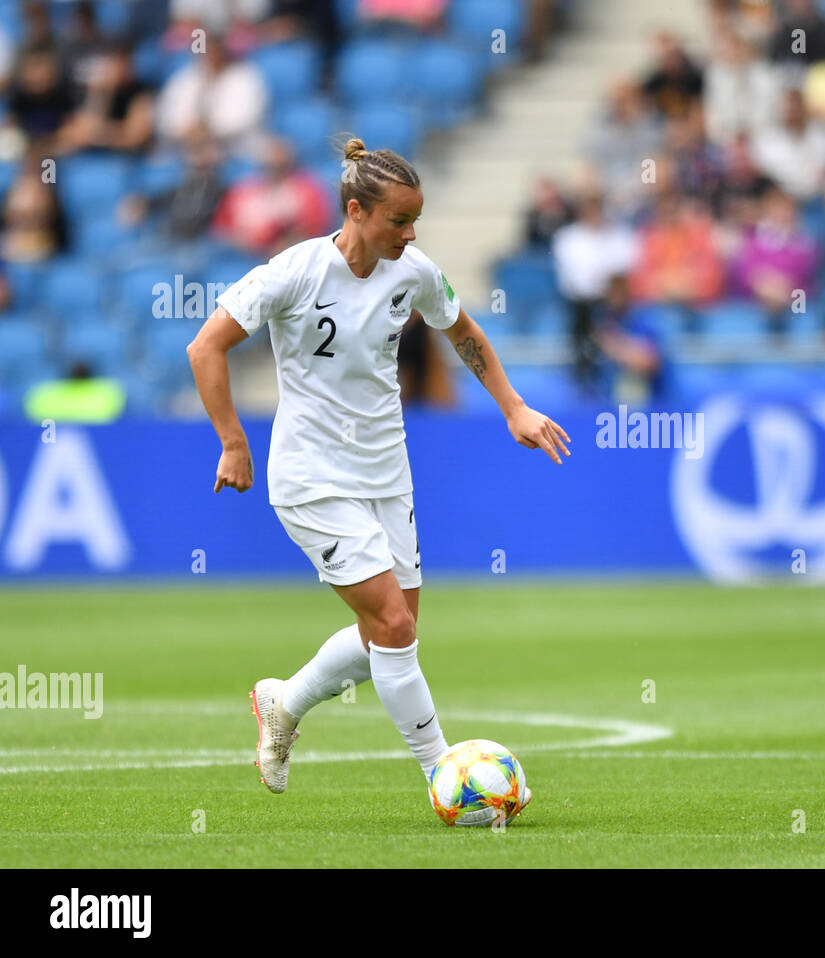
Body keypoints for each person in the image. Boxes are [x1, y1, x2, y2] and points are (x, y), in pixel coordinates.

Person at [187, 137, 570, 818]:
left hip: (387, 472)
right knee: (392, 624)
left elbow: (465, 334)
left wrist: (513, 407)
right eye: (399, 220)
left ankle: (282, 701)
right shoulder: (294, 273)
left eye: (416, 220)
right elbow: (206, 344)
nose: (412, 233)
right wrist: (232, 442)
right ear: (357, 210)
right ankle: (446, 773)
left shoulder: (413, 271)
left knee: (389, 637)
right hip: (311, 478)